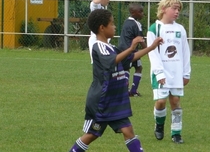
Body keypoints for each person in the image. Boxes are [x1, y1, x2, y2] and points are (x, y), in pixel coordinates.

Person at [69, 9, 163, 152]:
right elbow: (111, 62)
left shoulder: (111, 47)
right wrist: (131, 47)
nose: (115, 27)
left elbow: (129, 58)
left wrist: (151, 47)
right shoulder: (98, 46)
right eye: (112, 24)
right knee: (91, 135)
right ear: (102, 27)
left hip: (115, 100)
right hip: (102, 101)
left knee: (128, 132)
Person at [146, 0, 191, 144]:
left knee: (176, 101)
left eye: (179, 9)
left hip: (176, 72)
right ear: (164, 9)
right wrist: (159, 73)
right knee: (160, 101)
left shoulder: (180, 29)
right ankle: (159, 125)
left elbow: (185, 52)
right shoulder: (155, 28)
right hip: (161, 72)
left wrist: (186, 73)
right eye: (174, 8)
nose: (177, 12)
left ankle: (176, 133)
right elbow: (153, 53)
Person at [118, 3, 146, 97]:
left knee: (127, 68)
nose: (143, 14)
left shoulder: (126, 22)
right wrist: (148, 49)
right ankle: (132, 91)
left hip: (122, 50)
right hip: (131, 50)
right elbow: (140, 39)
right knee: (138, 68)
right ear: (133, 12)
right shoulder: (136, 23)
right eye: (140, 12)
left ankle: (126, 91)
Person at [88, 0, 113, 64]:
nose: (108, 0)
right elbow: (94, 1)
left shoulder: (102, 9)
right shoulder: (95, 8)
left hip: (104, 40)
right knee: (98, 64)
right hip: (96, 39)